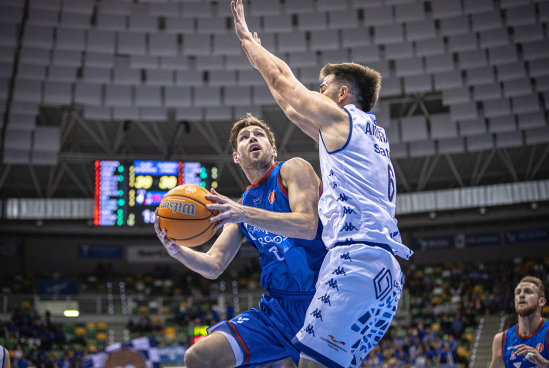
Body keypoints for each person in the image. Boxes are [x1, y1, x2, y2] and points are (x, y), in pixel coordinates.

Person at [231, 1, 413, 367]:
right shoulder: (366, 133)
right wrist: (270, 77)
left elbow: (285, 81)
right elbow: (292, 107)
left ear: (342, 93)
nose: (317, 93)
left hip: (355, 258)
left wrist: (249, 44)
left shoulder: (341, 118)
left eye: (323, 88)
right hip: (384, 268)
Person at [154, 115, 327, 367]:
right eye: (244, 138)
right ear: (236, 156)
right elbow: (213, 265)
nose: (252, 138)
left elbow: (308, 226)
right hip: (277, 310)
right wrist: (176, 250)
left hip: (322, 300)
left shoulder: (293, 169)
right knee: (199, 357)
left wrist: (243, 213)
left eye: (259, 134)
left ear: (273, 148)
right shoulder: (241, 206)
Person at [489, 276, 549, 368]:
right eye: (518, 292)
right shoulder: (501, 340)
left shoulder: (547, 332)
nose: (521, 295)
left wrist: (544, 364)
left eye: (528, 292)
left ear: (541, 301)